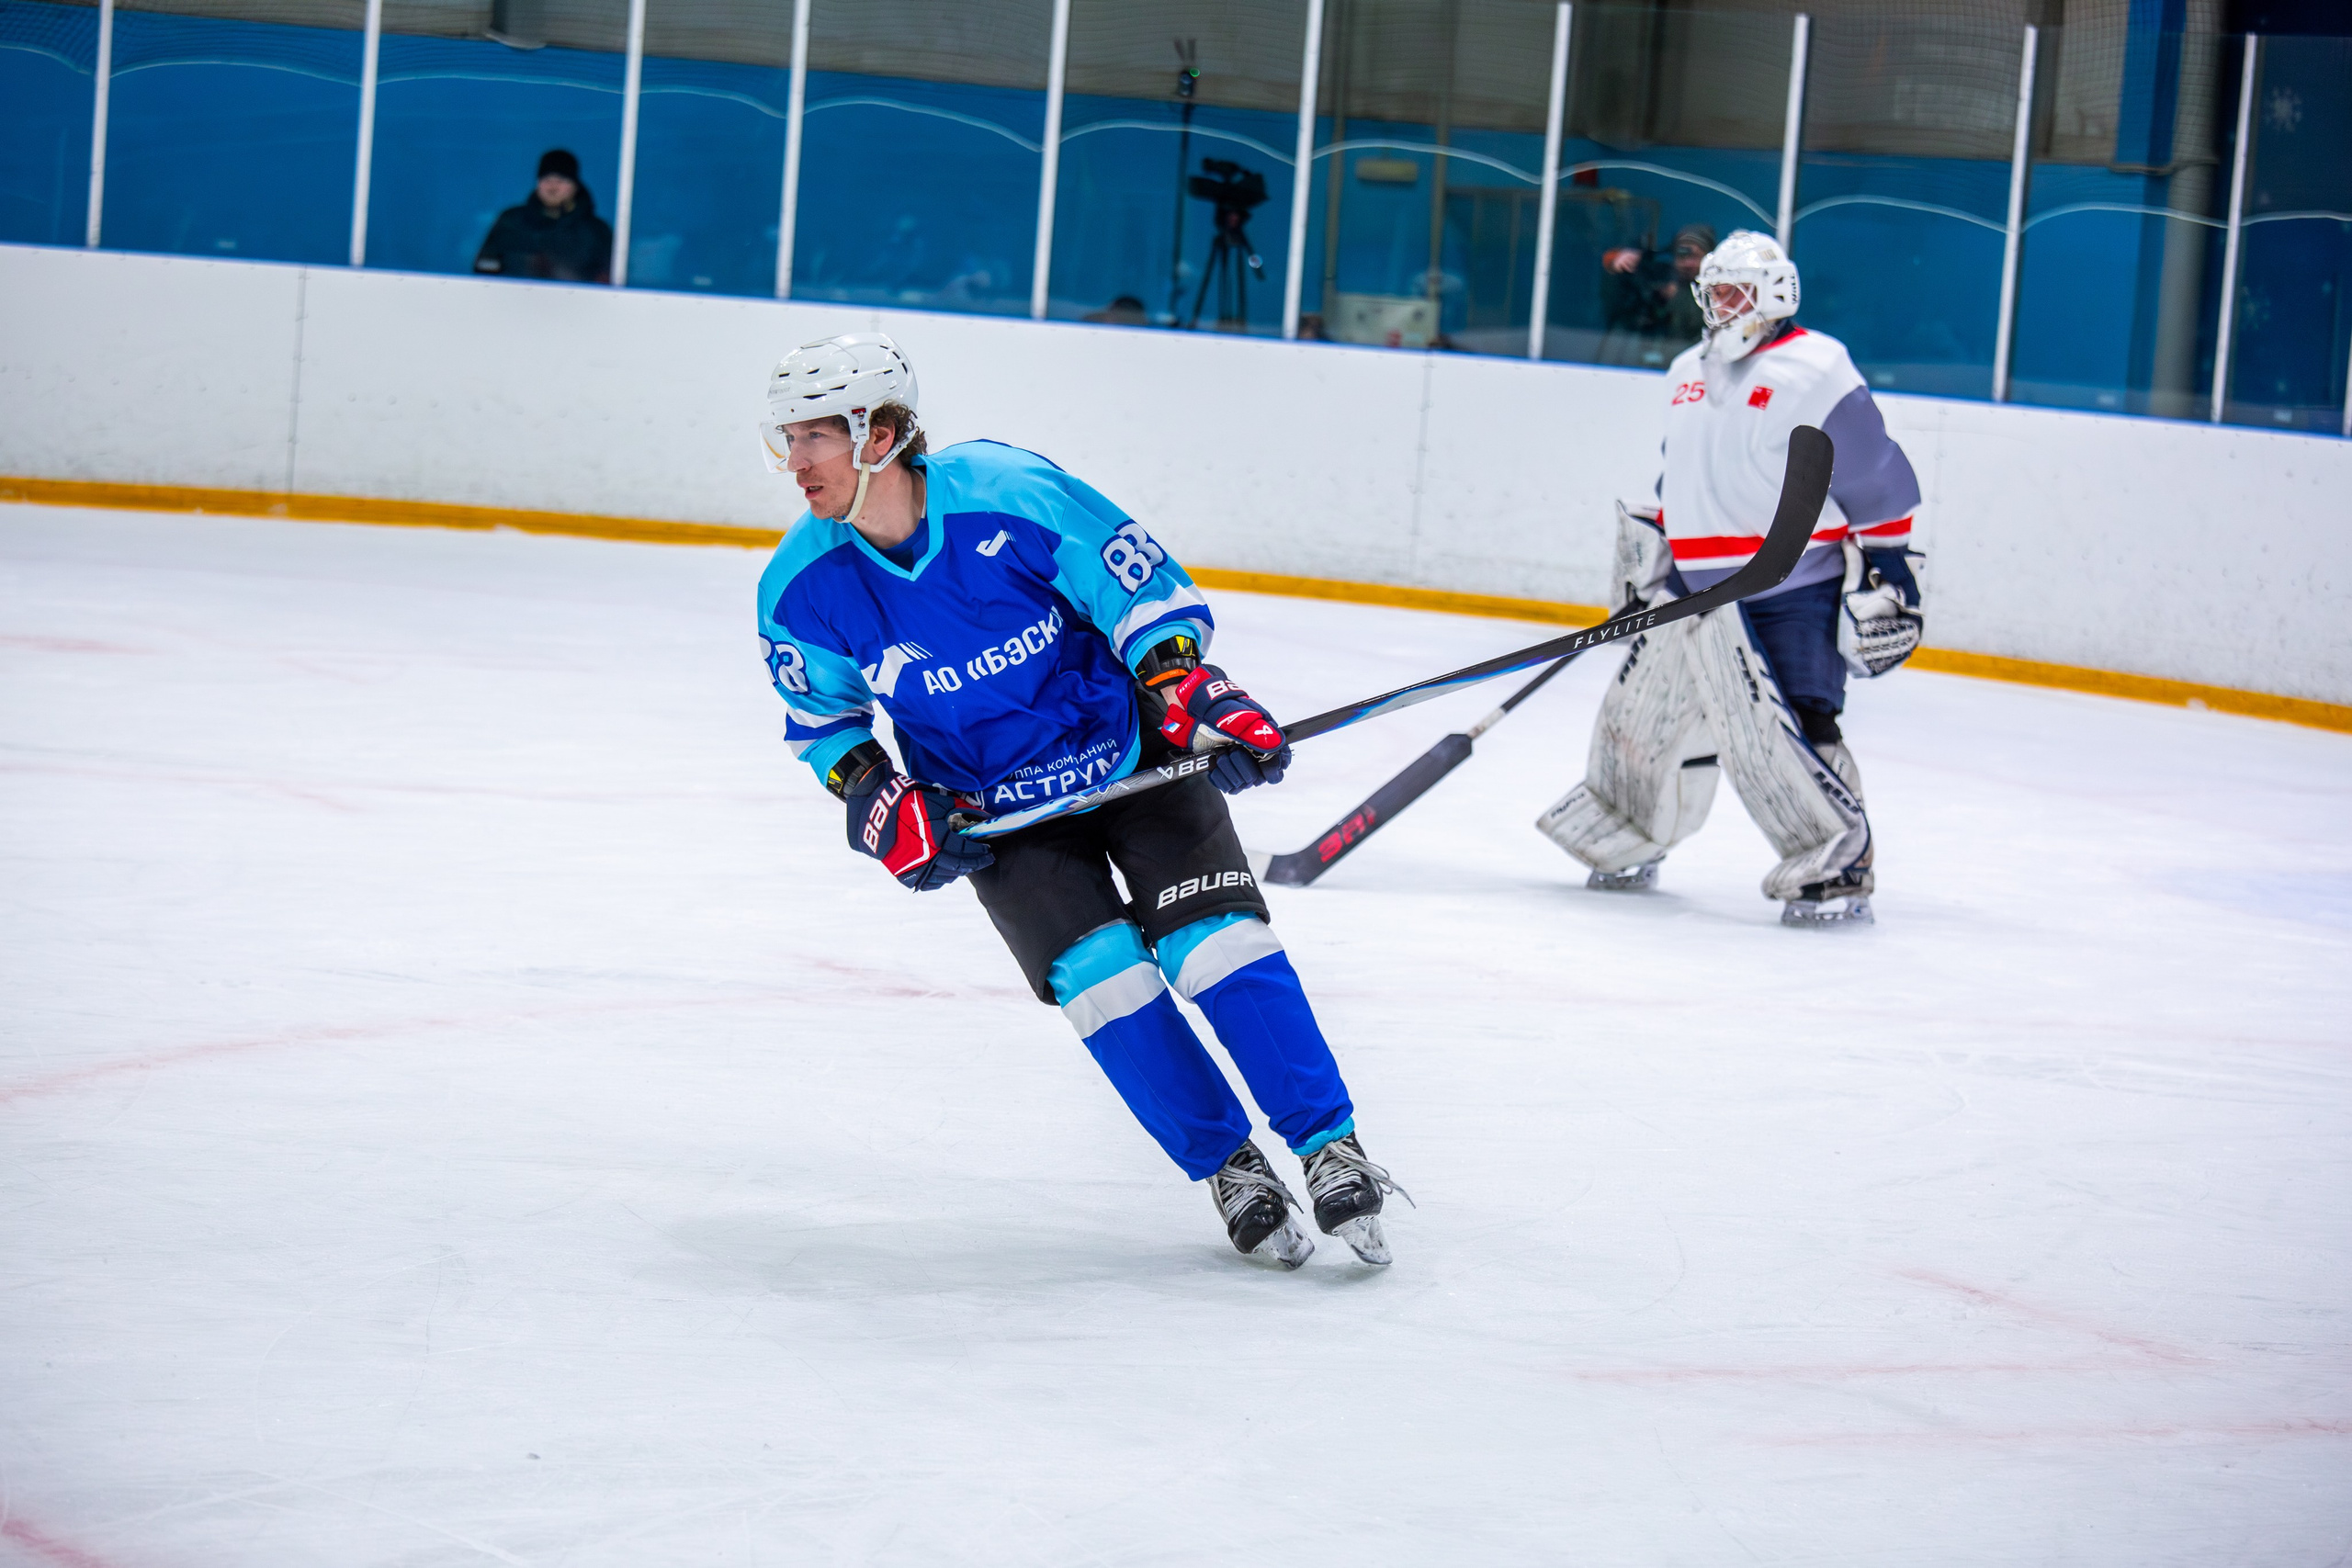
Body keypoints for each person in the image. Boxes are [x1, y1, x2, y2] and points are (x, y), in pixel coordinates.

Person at [753, 333, 1408, 1267]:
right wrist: (877, 798)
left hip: (1131, 758)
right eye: (788, 438)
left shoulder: (1007, 492)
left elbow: (1138, 595)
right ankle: (1230, 1167)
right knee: (1104, 984)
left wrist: (1191, 692)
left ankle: (1329, 1145)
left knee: (1217, 945)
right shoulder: (800, 585)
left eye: (814, 436)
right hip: (998, 816)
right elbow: (825, 725)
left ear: (881, 435)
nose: (796, 461)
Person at [1536, 231, 1925, 926]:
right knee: (1645, 718)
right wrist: (1651, 557)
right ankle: (1626, 836)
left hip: (1791, 582)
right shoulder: (1687, 367)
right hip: (1692, 588)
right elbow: (1681, 469)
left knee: (1792, 726)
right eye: (1713, 292)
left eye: (1736, 293)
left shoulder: (1816, 366)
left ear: (1776, 294)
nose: (1721, 306)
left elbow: (1871, 469)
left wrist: (1890, 561)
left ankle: (1835, 865)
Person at [473, 150, 613, 283]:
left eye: (560, 181)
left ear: (575, 186)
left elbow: (606, 280)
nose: (553, 188)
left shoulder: (596, 232)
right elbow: (484, 266)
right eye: (547, 180)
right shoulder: (511, 221)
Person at [1597, 223, 1715, 367]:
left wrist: (1676, 296)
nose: (1688, 263)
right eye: (1682, 254)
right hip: (1633, 362)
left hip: (1687, 365)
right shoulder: (1656, 274)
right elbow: (1615, 300)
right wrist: (1616, 262)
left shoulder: (1717, 291)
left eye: (1695, 256)